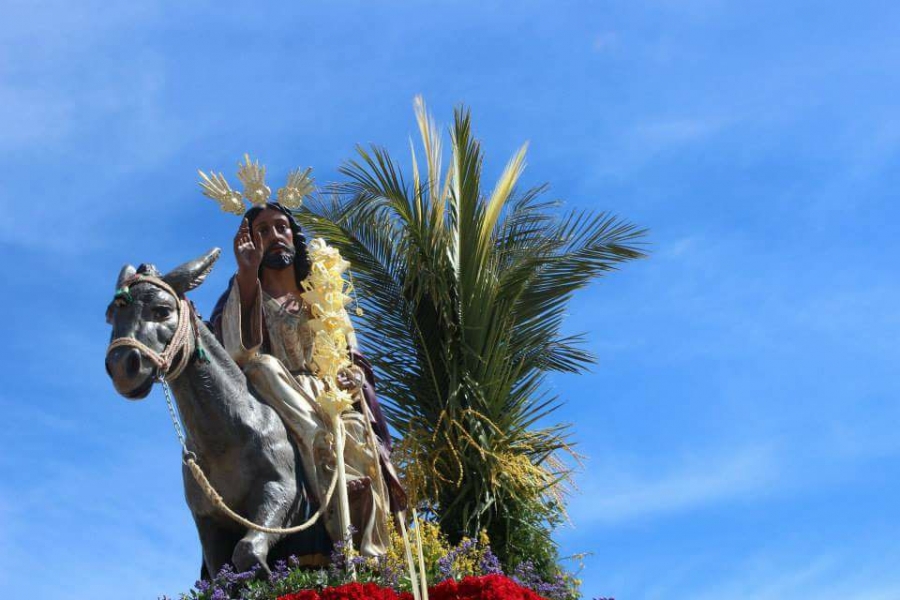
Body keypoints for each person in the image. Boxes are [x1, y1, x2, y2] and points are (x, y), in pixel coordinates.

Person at [209, 202, 406, 558]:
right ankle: (327, 461)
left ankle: (368, 554)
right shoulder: (241, 293)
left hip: (327, 396)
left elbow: (351, 354)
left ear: (293, 236)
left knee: (359, 433)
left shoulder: (324, 295)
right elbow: (236, 354)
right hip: (271, 398)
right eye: (263, 231)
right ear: (249, 243)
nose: (274, 236)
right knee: (263, 367)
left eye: (281, 227)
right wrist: (247, 275)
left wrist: (355, 376)